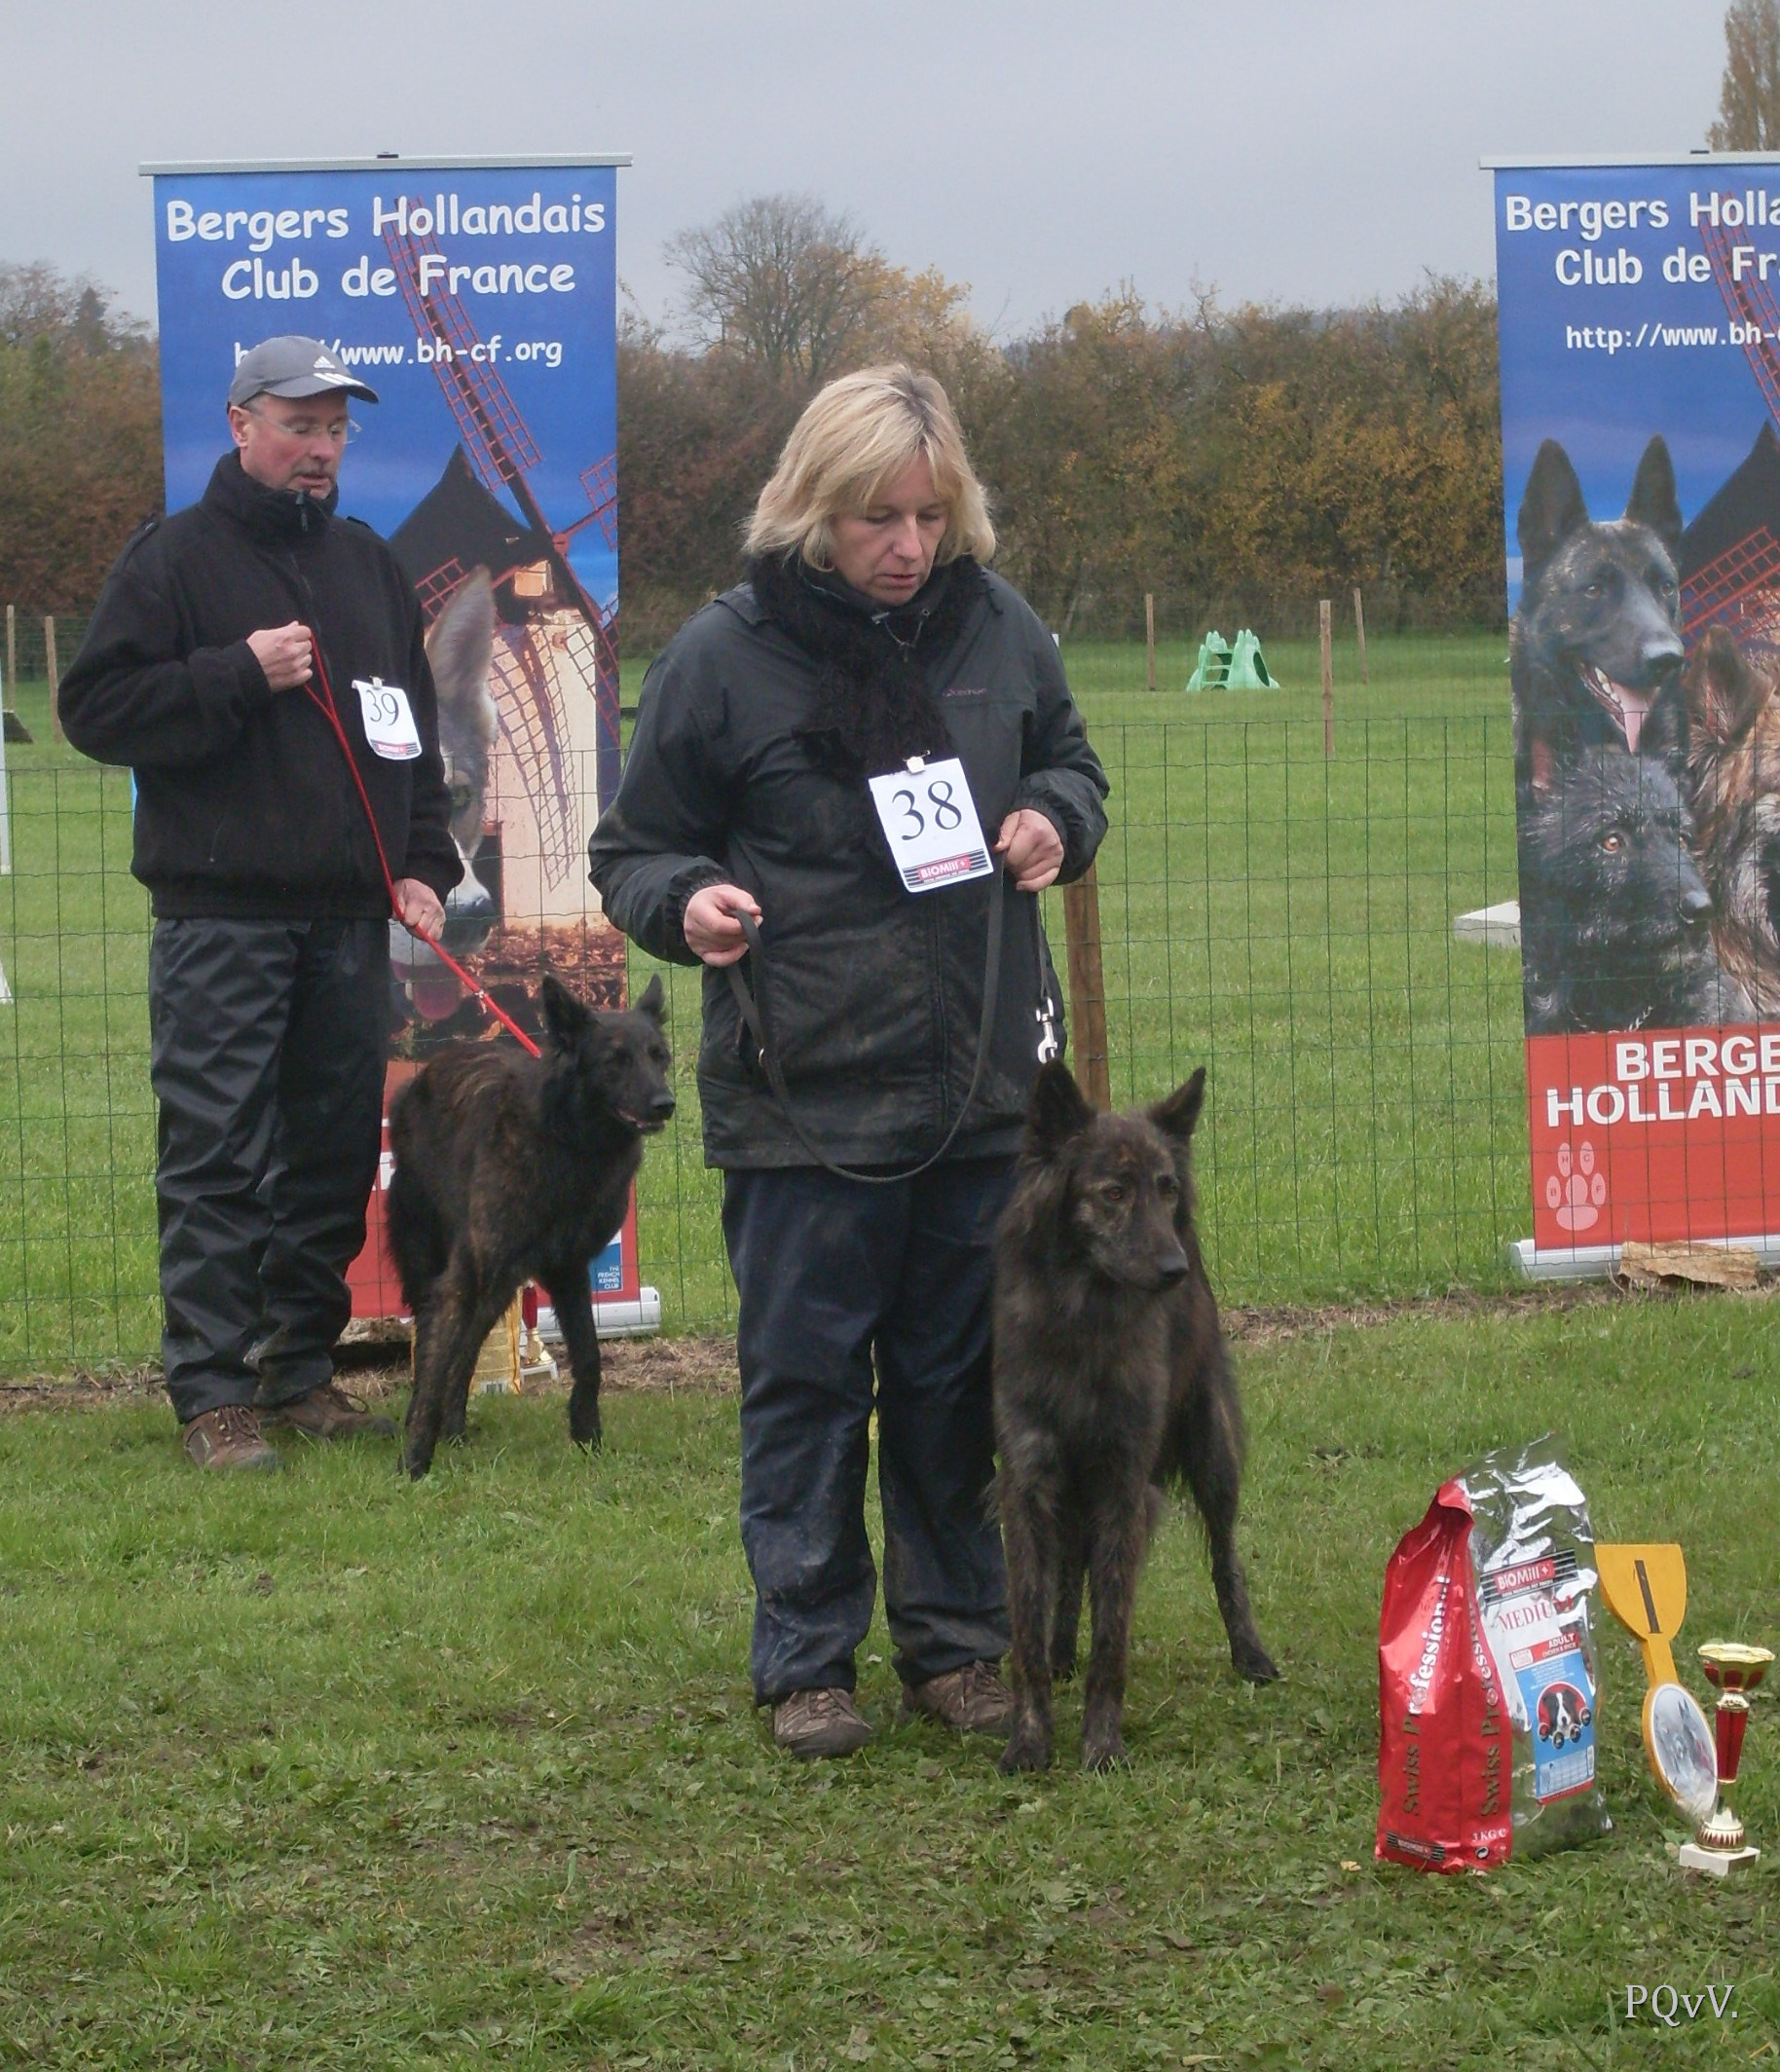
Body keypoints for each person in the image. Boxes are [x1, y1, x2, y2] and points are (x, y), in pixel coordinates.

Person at [588, 364, 1108, 1758]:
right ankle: (808, 1661)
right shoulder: (723, 656)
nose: (908, 546)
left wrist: (1058, 816)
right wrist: (685, 901)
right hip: (800, 1098)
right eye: (880, 516)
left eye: (930, 516)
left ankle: (955, 1647)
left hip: (976, 1089)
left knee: (952, 1386)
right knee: (808, 1385)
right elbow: (633, 849)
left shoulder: (999, 631)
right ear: (815, 510)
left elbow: (1074, 765)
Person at [60, 335, 462, 1470]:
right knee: (221, 1157)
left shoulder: (369, 567)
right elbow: (95, 708)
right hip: (220, 921)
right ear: (241, 426)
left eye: (335, 429)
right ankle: (213, 1395)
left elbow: (411, 739)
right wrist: (236, 671)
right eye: (298, 426)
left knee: (332, 1157)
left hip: (348, 921)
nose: (319, 449)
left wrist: (423, 864)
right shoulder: (173, 561)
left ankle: (298, 1373)